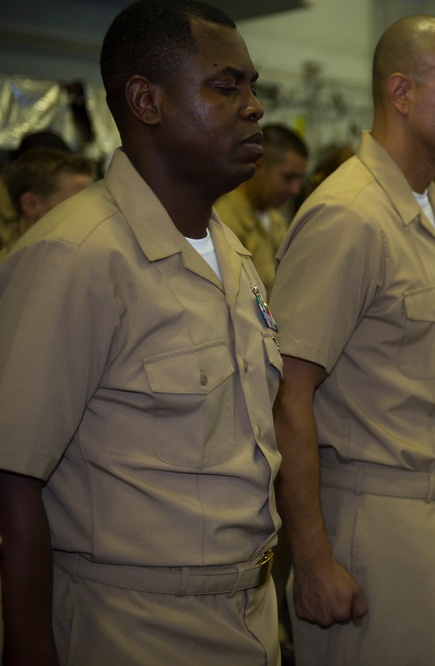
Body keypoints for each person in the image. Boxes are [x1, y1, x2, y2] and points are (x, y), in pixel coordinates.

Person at [0, 1, 283, 664]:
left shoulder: (232, 257)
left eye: (253, 87)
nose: (253, 107)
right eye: (226, 86)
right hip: (132, 624)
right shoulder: (77, 256)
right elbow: (12, 481)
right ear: (146, 101)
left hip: (247, 607)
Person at [269, 15, 435, 666]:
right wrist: (311, 560)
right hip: (381, 524)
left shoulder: (434, 209)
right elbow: (288, 392)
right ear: (400, 93)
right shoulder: (349, 214)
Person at [214, 123, 308, 292]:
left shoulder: (275, 220)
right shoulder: (225, 224)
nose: (295, 189)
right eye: (288, 177)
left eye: (299, 179)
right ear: (259, 166)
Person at [0, 148, 95, 259]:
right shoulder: (9, 273)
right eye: (72, 205)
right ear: (30, 205)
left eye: (89, 205)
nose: (88, 216)